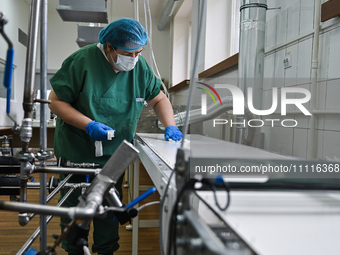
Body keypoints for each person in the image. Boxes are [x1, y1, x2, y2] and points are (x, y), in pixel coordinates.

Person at [48, 18, 183, 255]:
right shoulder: (82, 61)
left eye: (138, 52)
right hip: (77, 153)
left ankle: (106, 250)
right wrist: (88, 125)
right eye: (128, 53)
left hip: (113, 157)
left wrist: (170, 124)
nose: (133, 59)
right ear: (109, 47)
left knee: (108, 213)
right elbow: (56, 101)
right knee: (75, 214)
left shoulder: (140, 68)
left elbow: (159, 98)